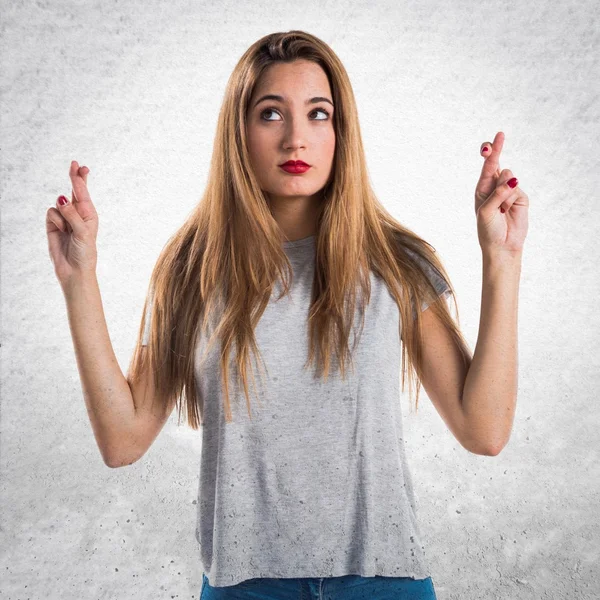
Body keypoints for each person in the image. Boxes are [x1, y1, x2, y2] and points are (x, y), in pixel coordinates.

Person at [46, 29, 527, 600]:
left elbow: (485, 430)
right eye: (271, 114)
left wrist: (502, 259)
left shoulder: (393, 262)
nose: (296, 137)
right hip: (244, 586)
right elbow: (122, 440)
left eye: (318, 114)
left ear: (340, 132)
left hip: (383, 581)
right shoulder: (193, 267)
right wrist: (79, 281)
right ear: (239, 133)